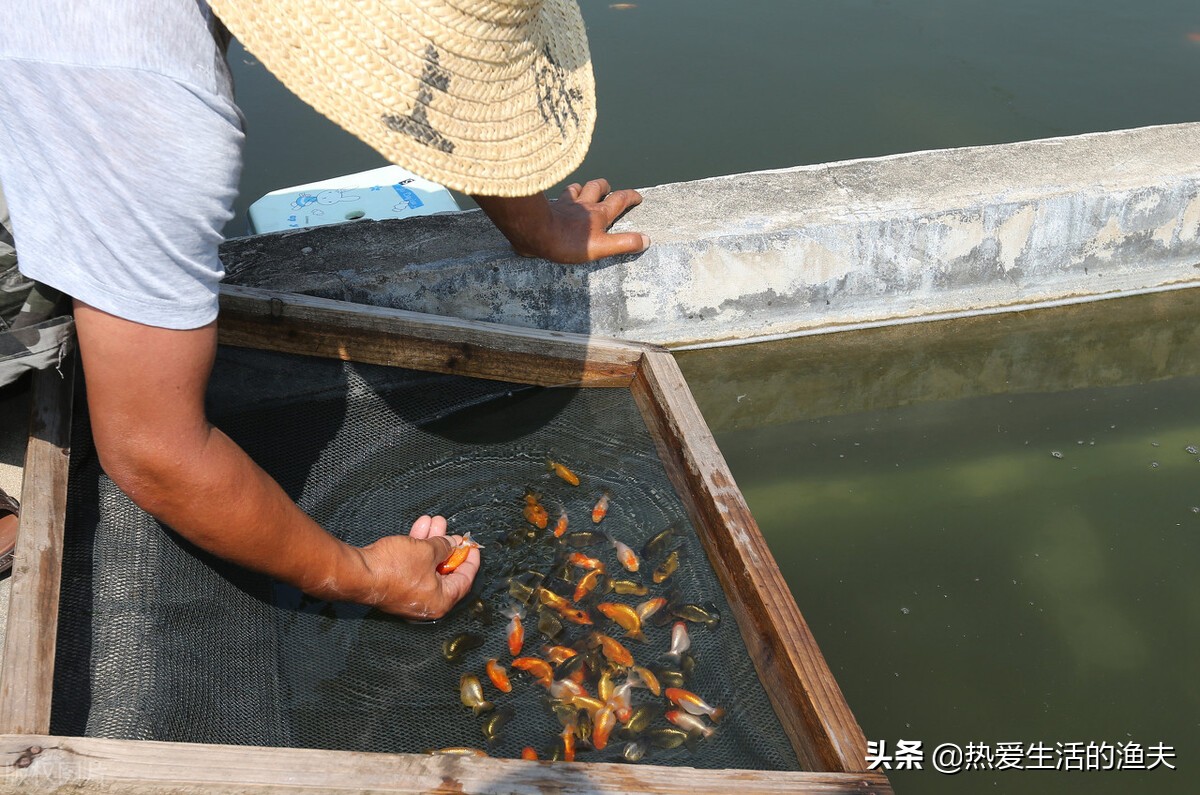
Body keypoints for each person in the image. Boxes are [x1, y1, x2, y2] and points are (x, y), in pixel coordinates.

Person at [0, 0, 647, 616]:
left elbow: (439, 96)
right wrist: (361, 573)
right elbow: (151, 449)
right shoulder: (150, 102)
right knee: (48, 309)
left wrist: (531, 221)